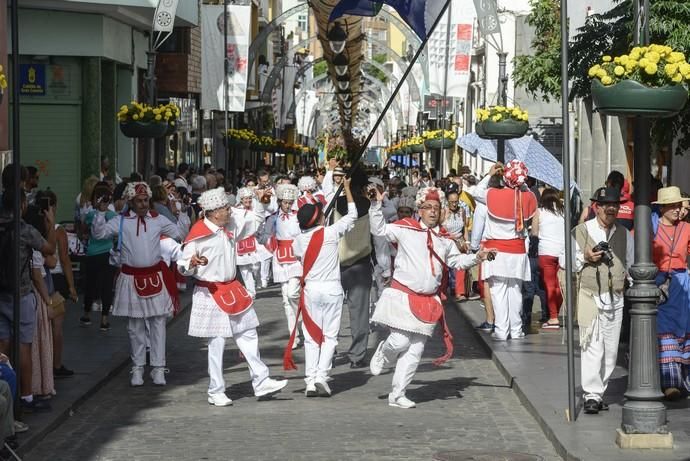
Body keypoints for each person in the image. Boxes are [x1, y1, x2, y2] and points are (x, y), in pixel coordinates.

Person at [368, 186, 495, 409]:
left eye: (436, 208)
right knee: (400, 341)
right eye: (428, 207)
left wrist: (478, 257)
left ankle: (398, 394)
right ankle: (383, 353)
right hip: (404, 296)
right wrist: (376, 205)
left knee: (415, 350)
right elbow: (378, 229)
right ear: (420, 209)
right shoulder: (406, 228)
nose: (433, 212)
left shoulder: (445, 239)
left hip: (428, 301)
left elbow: (456, 262)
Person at [178, 187, 287, 406]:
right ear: (214, 212)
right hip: (211, 292)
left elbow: (255, 220)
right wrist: (190, 264)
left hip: (232, 288)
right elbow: (182, 265)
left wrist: (259, 201)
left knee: (248, 334)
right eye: (226, 208)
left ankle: (261, 380)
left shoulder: (230, 226)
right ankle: (215, 390)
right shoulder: (198, 234)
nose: (230, 210)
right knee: (217, 344)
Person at [91, 182, 182, 387]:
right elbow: (99, 234)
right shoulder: (120, 221)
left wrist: (177, 212)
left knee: (158, 323)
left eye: (146, 200)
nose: (143, 204)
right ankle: (138, 368)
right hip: (131, 279)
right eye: (139, 201)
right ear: (131, 202)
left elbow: (178, 232)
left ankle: (158, 368)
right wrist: (100, 212)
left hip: (155, 277)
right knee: (135, 326)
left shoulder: (158, 220)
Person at [283, 178, 357, 397]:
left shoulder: (299, 240)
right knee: (330, 337)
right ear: (319, 219)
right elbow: (353, 215)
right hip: (332, 289)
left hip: (312, 290)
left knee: (311, 338)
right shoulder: (331, 233)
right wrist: (347, 189)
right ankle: (322, 377)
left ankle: (310, 380)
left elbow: (298, 256)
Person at [572, 186, 633, 414]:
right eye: (606, 205)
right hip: (590, 295)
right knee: (592, 346)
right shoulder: (581, 231)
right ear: (596, 207)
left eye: (615, 205)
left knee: (610, 351)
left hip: (615, 297)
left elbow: (631, 263)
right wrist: (585, 257)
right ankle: (591, 394)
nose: (611, 209)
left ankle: (600, 390)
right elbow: (565, 261)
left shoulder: (625, 234)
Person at [0, 188, 56, 412]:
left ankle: (5, 394)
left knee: (1, 345)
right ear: (22, 204)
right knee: (24, 347)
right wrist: (50, 224)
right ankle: (26, 397)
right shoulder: (24, 230)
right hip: (21, 294)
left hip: (0, 293)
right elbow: (50, 250)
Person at [472, 161, 537, 341]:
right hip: (517, 252)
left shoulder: (493, 194)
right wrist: (521, 184)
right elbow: (530, 195)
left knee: (498, 291)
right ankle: (516, 330)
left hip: (497, 252)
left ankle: (501, 330)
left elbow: (476, 192)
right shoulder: (528, 197)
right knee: (515, 291)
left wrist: (489, 175)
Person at [650, 186, 690, 400]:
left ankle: (685, 381)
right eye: (673, 206)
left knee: (684, 330)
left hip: (682, 284)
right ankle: (670, 382)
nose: (677, 209)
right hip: (660, 283)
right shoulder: (650, 228)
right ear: (663, 207)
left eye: (679, 205)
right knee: (665, 331)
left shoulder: (687, 228)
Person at [336, 172, 373, 369]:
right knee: (359, 313)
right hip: (361, 262)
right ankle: (357, 356)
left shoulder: (337, 203)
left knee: (331, 312)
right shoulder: (368, 205)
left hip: (336, 263)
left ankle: (328, 351)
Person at [260, 184, 303, 348]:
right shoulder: (272, 218)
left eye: (290, 202)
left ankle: (301, 315)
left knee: (293, 293)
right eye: (285, 202)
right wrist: (270, 244)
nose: (288, 205)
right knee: (285, 298)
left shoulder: (298, 216)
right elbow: (264, 236)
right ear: (279, 201)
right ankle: (294, 334)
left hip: (295, 256)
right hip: (280, 257)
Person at [80, 183, 118, 330]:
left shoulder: (91, 215)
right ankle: (104, 319)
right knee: (107, 286)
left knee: (90, 284)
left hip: (92, 254)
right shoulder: (113, 216)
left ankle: (87, 314)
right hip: (108, 254)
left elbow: (84, 229)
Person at [531, 188, 565, 329]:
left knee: (549, 285)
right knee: (559, 285)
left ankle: (553, 317)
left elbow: (534, 233)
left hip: (546, 252)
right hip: (563, 252)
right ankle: (555, 312)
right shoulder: (564, 212)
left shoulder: (539, 212)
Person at [442, 183, 471, 301]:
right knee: (445, 269)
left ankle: (460, 292)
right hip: (447, 241)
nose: (454, 204)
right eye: (452, 202)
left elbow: (464, 228)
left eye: (456, 201)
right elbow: (439, 229)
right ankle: (442, 290)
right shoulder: (444, 212)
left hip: (459, 242)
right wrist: (449, 236)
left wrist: (467, 242)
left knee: (461, 267)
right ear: (447, 201)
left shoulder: (462, 211)